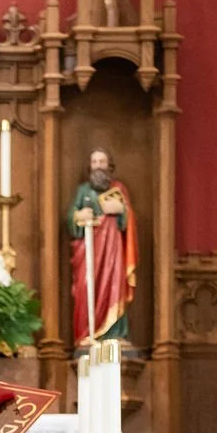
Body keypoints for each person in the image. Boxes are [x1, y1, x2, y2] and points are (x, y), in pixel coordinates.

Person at [66, 145, 138, 346]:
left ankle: (115, 333)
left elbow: (128, 221)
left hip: (113, 251)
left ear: (109, 166)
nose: (98, 166)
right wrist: (79, 216)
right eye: (95, 162)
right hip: (89, 249)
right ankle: (88, 333)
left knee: (115, 286)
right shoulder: (83, 191)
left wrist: (121, 211)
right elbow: (70, 218)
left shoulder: (119, 189)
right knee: (86, 286)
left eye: (102, 162)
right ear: (90, 167)